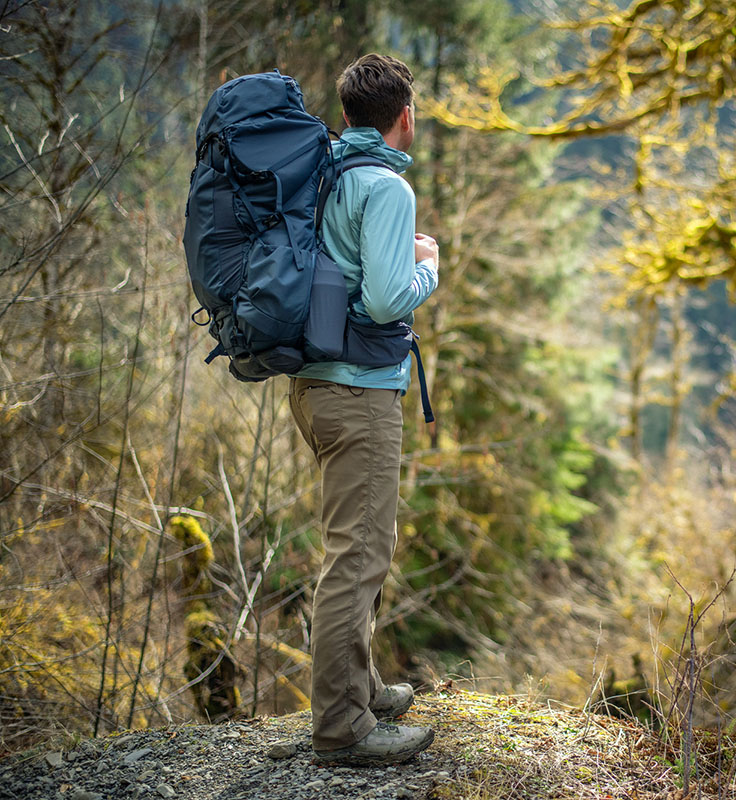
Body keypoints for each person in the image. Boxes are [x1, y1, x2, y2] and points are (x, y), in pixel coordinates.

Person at [288, 53, 440, 767]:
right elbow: (384, 298)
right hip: (359, 392)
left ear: (346, 114)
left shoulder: (324, 172)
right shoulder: (385, 186)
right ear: (403, 117)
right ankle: (342, 729)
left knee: (352, 548)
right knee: (358, 557)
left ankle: (364, 686)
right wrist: (427, 267)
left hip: (315, 385)